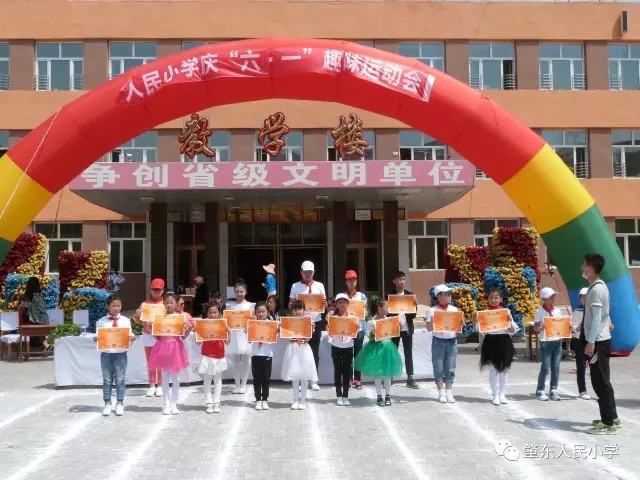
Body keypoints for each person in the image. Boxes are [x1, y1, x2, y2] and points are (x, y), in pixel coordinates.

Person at [581, 253, 620, 435]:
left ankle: (608, 423)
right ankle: (612, 416)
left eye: (584, 264)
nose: (582, 268)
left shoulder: (597, 289)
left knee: (600, 382)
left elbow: (597, 318)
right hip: (600, 339)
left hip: (598, 341)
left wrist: (590, 342)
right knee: (603, 380)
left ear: (591, 268)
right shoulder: (598, 287)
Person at [146, 292, 192, 415]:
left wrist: (189, 327)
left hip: (176, 348)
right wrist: (151, 328)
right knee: (165, 377)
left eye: (171, 302)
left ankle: (174, 404)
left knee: (176, 378)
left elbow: (183, 337)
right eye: (166, 303)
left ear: (176, 303)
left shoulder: (180, 317)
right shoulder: (159, 318)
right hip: (163, 348)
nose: (169, 305)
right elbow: (157, 337)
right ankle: (166, 404)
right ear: (163, 304)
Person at [353, 298, 403, 407]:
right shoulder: (372, 322)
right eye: (386, 307)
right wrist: (374, 333)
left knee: (388, 373)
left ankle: (388, 395)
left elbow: (396, 331)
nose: (388, 309)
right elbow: (371, 336)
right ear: (380, 309)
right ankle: (379, 396)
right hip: (377, 348)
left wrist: (399, 325)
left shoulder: (390, 320)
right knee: (378, 373)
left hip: (388, 348)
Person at [93, 294, 135, 417]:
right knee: (107, 380)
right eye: (113, 306)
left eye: (118, 306)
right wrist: (96, 338)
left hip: (120, 354)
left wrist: (132, 338)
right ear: (108, 306)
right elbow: (98, 335)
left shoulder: (125, 320)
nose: (116, 308)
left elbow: (130, 334)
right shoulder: (102, 321)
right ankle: (107, 403)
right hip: (106, 354)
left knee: (120, 380)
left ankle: (120, 403)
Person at [289, 261, 326, 392]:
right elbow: (291, 303)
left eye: (310, 272)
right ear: (301, 272)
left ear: (313, 272)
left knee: (314, 351)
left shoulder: (319, 285)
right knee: (299, 351)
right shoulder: (295, 286)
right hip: (300, 323)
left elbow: (324, 304)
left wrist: (324, 303)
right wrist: (293, 306)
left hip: (315, 321)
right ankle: (300, 379)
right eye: (305, 272)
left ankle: (313, 380)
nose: (308, 274)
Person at [478, 288, 518, 406]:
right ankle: (495, 395)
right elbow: (479, 330)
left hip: (504, 341)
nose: (493, 300)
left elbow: (513, 330)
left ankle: (502, 394)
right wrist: (477, 321)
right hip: (490, 341)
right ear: (488, 299)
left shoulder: (506, 312)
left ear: (501, 299)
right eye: (491, 298)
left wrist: (509, 321)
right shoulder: (484, 312)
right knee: (493, 369)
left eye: (496, 298)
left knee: (504, 369)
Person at [281, 299, 318, 410]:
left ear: (303, 310)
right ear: (292, 310)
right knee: (294, 375)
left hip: (304, 348)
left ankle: (303, 400)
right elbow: (288, 338)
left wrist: (311, 329)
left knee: (304, 375)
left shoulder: (308, 322)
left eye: (300, 309)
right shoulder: (288, 322)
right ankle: (295, 399)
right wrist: (282, 329)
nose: (298, 312)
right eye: (295, 309)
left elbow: (307, 339)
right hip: (292, 348)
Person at [426, 284, 460, 403]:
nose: (449, 296)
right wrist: (431, 322)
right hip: (438, 341)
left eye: (450, 294)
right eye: (446, 294)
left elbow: (458, 327)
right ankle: (441, 392)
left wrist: (461, 323)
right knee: (438, 367)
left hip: (452, 340)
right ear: (438, 296)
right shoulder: (432, 310)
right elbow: (429, 329)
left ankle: (449, 392)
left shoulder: (454, 309)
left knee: (450, 367)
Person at [134, 278, 166, 397]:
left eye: (158, 290)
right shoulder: (145, 304)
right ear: (150, 290)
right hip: (148, 335)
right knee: (151, 361)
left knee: (161, 361)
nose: (156, 292)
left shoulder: (165, 304)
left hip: (161, 336)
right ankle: (152, 385)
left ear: (163, 290)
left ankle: (161, 385)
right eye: (154, 289)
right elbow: (138, 321)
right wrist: (137, 316)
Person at [196, 302, 229, 414]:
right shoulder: (203, 323)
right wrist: (197, 331)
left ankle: (217, 401)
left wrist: (229, 332)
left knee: (218, 379)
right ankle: (208, 402)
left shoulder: (223, 323)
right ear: (207, 313)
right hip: (207, 354)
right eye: (210, 312)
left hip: (219, 355)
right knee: (207, 379)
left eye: (215, 312)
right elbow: (198, 342)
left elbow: (227, 342)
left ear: (219, 313)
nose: (212, 315)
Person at [533, 287, 564, 401]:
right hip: (546, 342)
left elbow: (561, 324)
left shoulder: (557, 311)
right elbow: (536, 327)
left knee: (556, 367)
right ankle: (540, 390)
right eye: (551, 296)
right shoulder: (539, 311)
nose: (553, 298)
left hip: (557, 340)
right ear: (544, 299)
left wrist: (567, 326)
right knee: (545, 367)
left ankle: (553, 390)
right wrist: (541, 327)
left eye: (553, 296)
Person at [390, 271, 419, 389]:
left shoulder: (410, 295)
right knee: (392, 352)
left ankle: (410, 378)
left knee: (408, 353)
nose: (401, 282)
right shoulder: (390, 295)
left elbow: (413, 316)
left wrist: (415, 305)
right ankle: (390, 376)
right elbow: (387, 313)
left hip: (407, 328)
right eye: (399, 279)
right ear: (394, 281)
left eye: (403, 279)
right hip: (394, 328)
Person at [328, 293, 358, 406]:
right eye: (339, 302)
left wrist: (357, 328)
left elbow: (355, 333)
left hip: (348, 346)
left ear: (348, 304)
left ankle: (345, 395)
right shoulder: (332, 317)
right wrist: (329, 328)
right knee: (337, 370)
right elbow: (330, 333)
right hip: (336, 346)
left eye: (344, 302)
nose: (342, 304)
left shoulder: (352, 317)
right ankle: (339, 395)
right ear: (336, 304)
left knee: (346, 371)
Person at [227, 280, 254, 394]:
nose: (239, 294)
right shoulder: (230, 306)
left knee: (246, 360)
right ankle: (237, 385)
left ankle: (243, 384)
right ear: (234, 292)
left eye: (241, 291)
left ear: (246, 292)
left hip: (245, 334)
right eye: (237, 291)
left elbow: (254, 320)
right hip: (234, 334)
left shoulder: (250, 305)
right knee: (235, 361)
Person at [343, 270, 367, 390]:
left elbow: (364, 313)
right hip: (346, 330)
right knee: (347, 355)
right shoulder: (343, 296)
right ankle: (348, 378)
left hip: (359, 329)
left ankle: (357, 379)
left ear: (356, 281)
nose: (352, 282)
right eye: (349, 280)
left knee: (358, 355)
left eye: (354, 279)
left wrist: (364, 310)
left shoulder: (362, 296)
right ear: (346, 282)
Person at [251, 301, 276, 411]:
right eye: (258, 312)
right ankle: (258, 400)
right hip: (255, 354)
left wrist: (277, 330)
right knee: (257, 379)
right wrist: (247, 331)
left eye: (263, 311)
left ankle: (265, 399)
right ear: (255, 312)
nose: (261, 314)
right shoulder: (252, 324)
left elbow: (275, 340)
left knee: (266, 379)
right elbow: (249, 341)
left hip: (267, 354)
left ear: (267, 312)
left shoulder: (272, 324)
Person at [570, 287, 590, 400]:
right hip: (579, 341)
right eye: (583, 297)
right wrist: (579, 326)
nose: (585, 299)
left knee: (595, 366)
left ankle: (599, 389)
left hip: (592, 341)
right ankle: (582, 390)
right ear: (580, 298)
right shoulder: (577, 312)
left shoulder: (594, 310)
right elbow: (573, 329)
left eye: (587, 296)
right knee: (581, 366)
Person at [22, 276, 50, 349]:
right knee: (40, 330)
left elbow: (25, 307)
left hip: (35, 319)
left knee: (38, 329)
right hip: (44, 318)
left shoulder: (27, 295)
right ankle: (46, 346)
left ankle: (46, 346)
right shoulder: (40, 294)